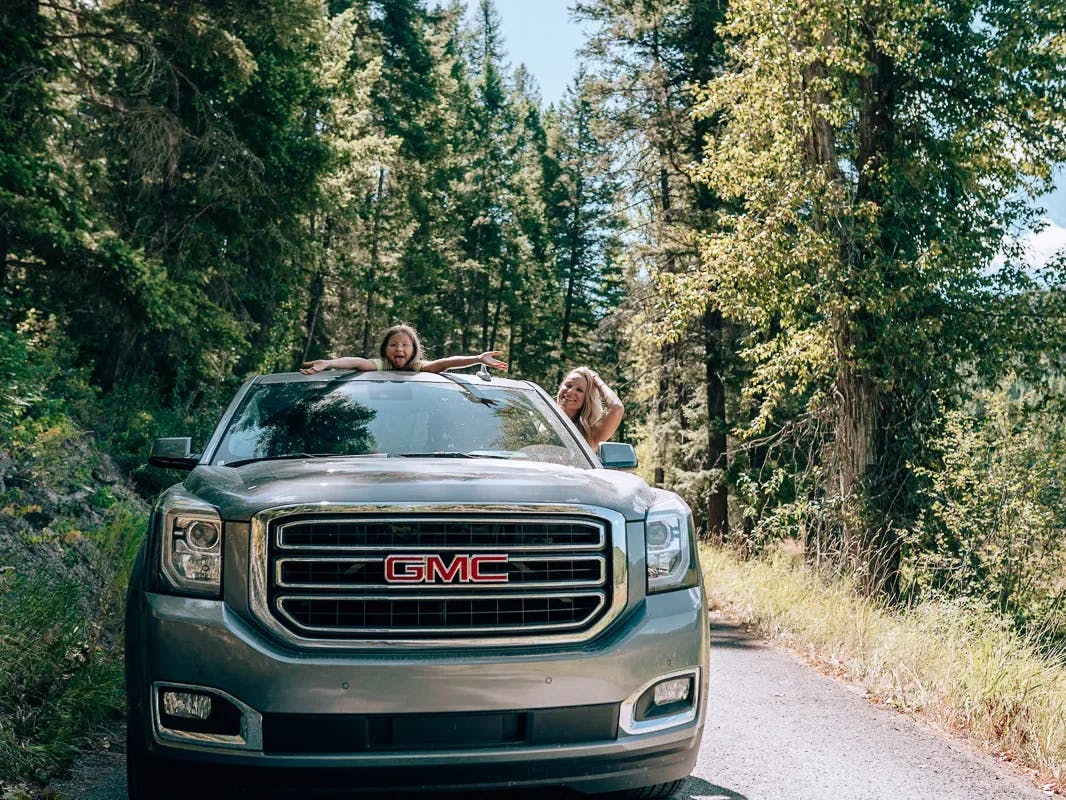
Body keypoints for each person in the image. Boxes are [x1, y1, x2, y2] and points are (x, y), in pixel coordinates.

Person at [300, 324, 507, 375]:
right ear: (385, 349)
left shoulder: (417, 367)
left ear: (414, 349)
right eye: (393, 345)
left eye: (405, 345)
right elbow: (355, 361)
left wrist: (478, 358)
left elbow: (444, 363)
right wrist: (329, 363)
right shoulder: (381, 365)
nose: (399, 349)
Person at [556, 367, 624, 449]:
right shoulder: (542, 417)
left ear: (587, 399)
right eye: (568, 385)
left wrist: (596, 379)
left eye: (579, 390)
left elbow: (617, 408)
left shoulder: (590, 435)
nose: (570, 391)